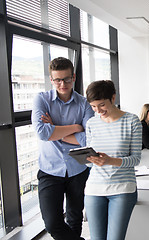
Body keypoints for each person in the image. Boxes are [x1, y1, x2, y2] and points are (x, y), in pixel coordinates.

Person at [32, 57, 94, 240]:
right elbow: (43, 133)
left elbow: (89, 138)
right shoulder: (41, 100)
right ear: (51, 79)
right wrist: (76, 127)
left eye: (67, 79)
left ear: (73, 77)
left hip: (78, 167)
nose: (63, 84)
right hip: (49, 169)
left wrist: (56, 131)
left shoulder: (84, 103)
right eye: (58, 79)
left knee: (75, 219)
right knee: (52, 223)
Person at [84, 80, 142, 240]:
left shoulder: (132, 121)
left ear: (113, 98)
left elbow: (136, 159)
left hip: (122, 188)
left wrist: (110, 161)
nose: (98, 110)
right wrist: (87, 159)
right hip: (94, 188)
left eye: (101, 105)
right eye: (93, 107)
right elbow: (90, 162)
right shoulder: (91, 123)